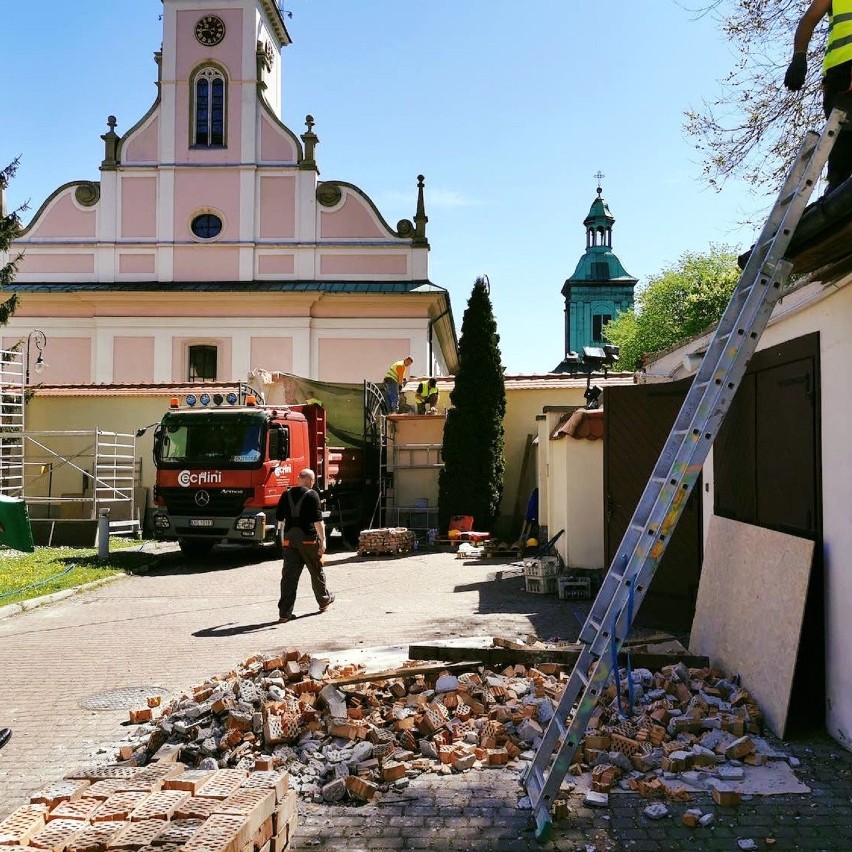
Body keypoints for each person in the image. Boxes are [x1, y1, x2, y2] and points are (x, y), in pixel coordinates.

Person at [785, 0, 852, 194]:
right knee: (843, 143)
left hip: (841, 75)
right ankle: (837, 191)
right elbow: (809, 20)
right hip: (843, 73)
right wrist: (799, 56)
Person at [275, 468, 334, 622]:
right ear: (311, 480)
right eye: (313, 481)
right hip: (308, 540)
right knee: (316, 570)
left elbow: (280, 518)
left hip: (289, 541)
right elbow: (318, 522)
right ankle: (323, 602)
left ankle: (284, 614)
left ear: (298, 478)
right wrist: (323, 540)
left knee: (288, 577)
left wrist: (283, 540)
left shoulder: (286, 494)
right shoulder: (312, 495)